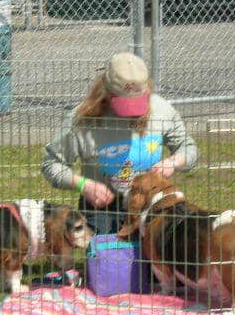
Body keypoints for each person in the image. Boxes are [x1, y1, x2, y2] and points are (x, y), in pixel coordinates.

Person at [41, 52, 198, 235]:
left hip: (151, 201)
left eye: (137, 102)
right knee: (107, 260)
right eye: (124, 103)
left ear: (146, 89)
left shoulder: (162, 111)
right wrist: (83, 184)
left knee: (156, 260)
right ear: (106, 92)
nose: (131, 113)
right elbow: (51, 164)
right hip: (103, 205)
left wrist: (174, 161)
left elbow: (189, 148)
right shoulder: (82, 120)